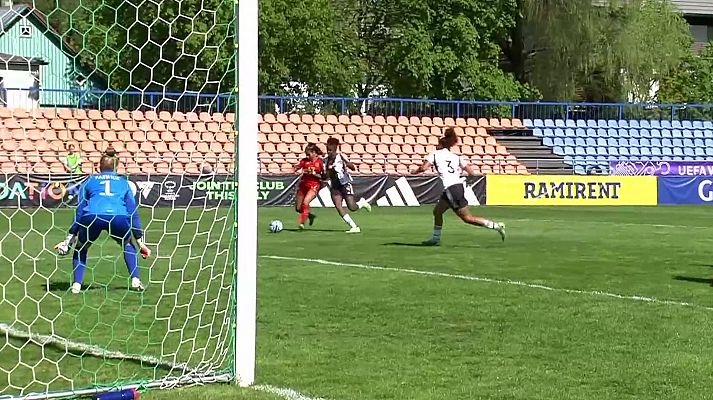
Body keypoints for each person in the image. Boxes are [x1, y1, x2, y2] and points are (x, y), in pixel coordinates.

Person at [54, 147, 151, 294]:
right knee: (127, 243)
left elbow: (80, 211)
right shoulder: (123, 182)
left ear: (99, 166)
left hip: (92, 216)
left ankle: (76, 285)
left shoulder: (90, 181)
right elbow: (133, 212)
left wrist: (69, 238)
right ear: (116, 166)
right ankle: (135, 280)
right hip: (117, 216)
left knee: (81, 247)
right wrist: (140, 241)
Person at [411, 128, 506, 246]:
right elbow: (471, 173)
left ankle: (496, 226)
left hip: (451, 189)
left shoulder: (435, 154)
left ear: (441, 144)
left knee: (467, 218)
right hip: (455, 187)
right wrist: (464, 181)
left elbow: (424, 168)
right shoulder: (456, 157)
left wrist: (414, 171)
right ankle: (435, 239)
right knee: (437, 212)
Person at [324, 137, 371, 233]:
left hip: (345, 184)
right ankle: (354, 226)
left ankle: (361, 203)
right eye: (327, 150)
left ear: (335, 149)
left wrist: (347, 163)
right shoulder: (325, 161)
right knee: (338, 206)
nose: (329, 152)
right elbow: (326, 176)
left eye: (330, 150)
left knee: (352, 207)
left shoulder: (341, 157)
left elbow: (353, 168)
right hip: (334, 185)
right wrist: (329, 170)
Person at [293, 143, 324, 229]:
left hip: (314, 185)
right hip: (303, 185)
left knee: (305, 202)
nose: (307, 156)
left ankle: (302, 223)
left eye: (308, 154)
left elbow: (324, 176)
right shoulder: (304, 161)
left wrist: (314, 174)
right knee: (298, 208)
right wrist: (294, 168)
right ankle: (310, 216)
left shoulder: (320, 162)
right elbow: (298, 166)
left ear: (314, 152)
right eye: (306, 154)